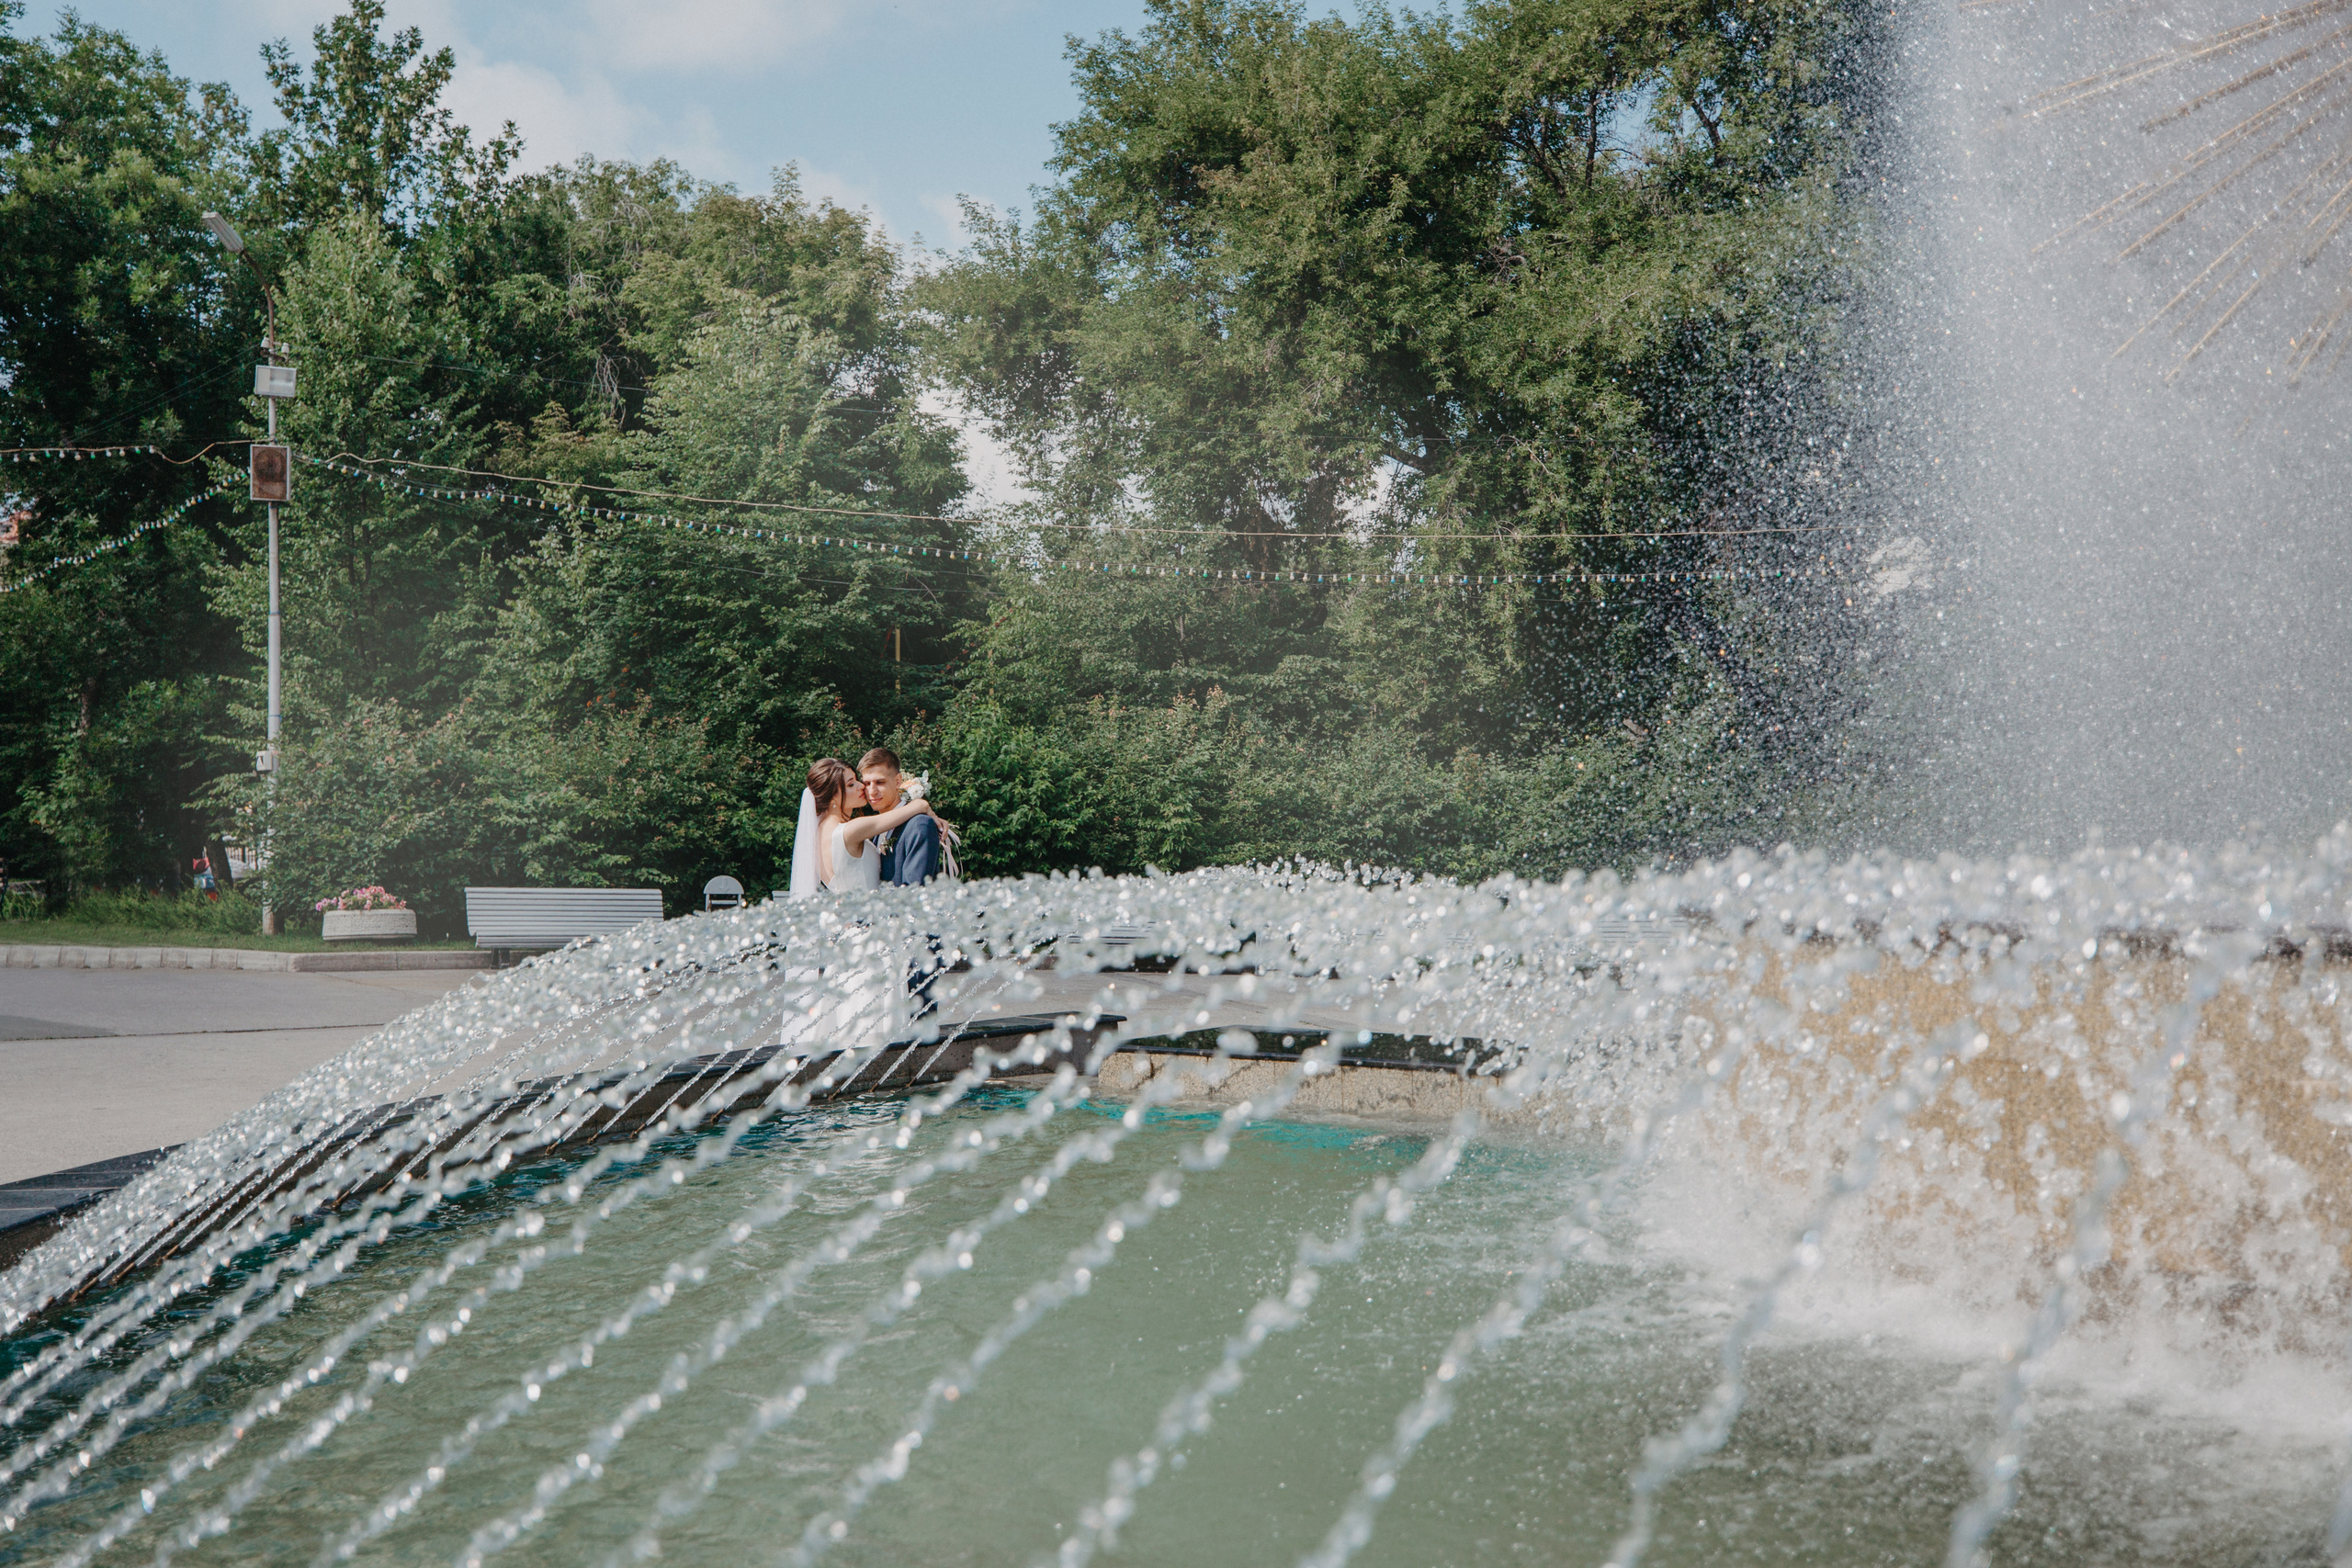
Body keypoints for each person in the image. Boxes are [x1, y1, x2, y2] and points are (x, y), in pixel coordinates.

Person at [788, 757, 943, 897]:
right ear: (833, 795)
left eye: (856, 780)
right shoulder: (849, 830)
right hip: (870, 921)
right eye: (851, 784)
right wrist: (922, 805)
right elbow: (911, 809)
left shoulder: (817, 834)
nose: (861, 786)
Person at [858, 747, 957, 886]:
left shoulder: (919, 825)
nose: (872, 791)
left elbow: (915, 890)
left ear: (898, 781)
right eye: (867, 784)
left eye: (880, 782)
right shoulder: (875, 830)